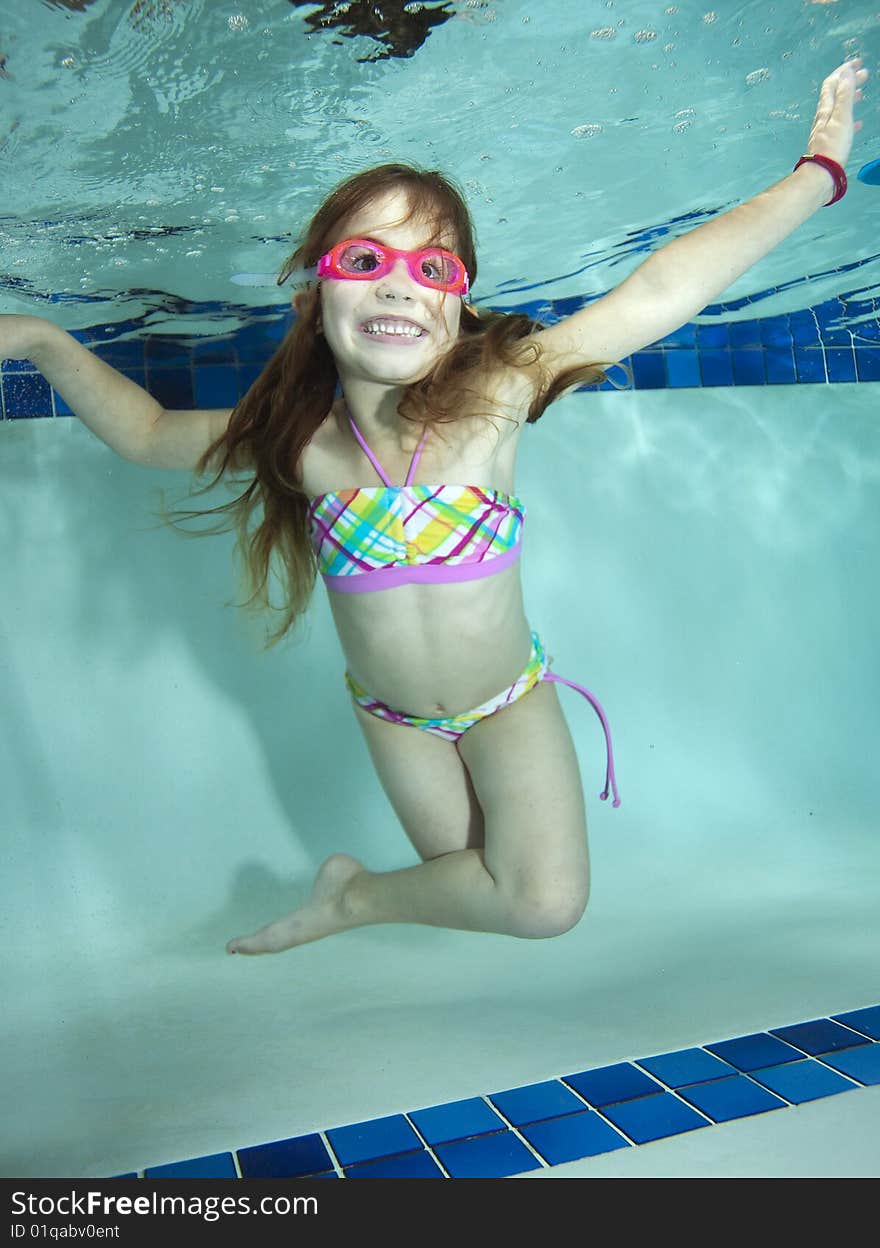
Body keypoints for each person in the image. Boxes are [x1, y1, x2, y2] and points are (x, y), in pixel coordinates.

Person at [1, 58, 867, 956]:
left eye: (432, 265)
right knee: (479, 877)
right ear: (316, 295)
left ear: (459, 303)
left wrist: (819, 173)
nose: (398, 283)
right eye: (365, 259)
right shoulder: (297, 444)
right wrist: (37, 337)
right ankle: (354, 895)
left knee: (540, 903)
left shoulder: (499, 395)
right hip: (395, 720)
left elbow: (660, 291)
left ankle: (352, 900)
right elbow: (144, 432)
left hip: (507, 702)